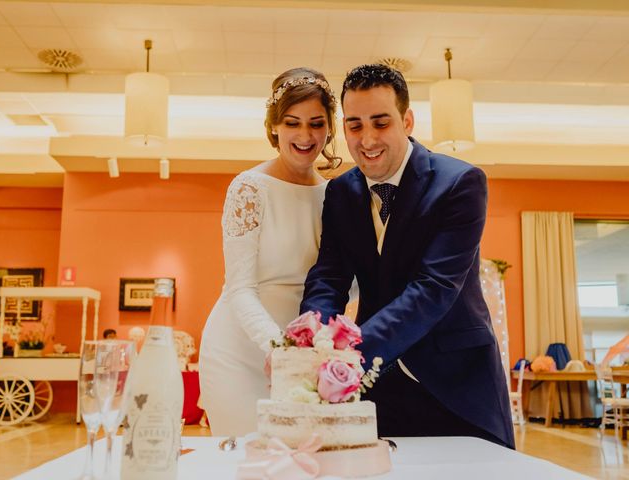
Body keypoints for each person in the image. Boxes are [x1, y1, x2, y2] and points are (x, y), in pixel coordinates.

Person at [300, 64, 514, 449]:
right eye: (354, 125)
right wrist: (311, 339)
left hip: (456, 385)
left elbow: (433, 289)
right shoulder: (341, 194)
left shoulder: (461, 184)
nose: (367, 140)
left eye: (380, 123)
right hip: (377, 390)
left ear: (407, 120)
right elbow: (329, 277)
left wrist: (350, 355)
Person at [199, 67, 339, 436]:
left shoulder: (335, 197)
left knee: (300, 459)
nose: (305, 135)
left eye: (316, 123)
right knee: (245, 461)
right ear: (275, 126)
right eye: (293, 123)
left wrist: (318, 345)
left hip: (302, 356)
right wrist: (279, 349)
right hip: (239, 350)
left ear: (329, 128)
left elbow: (342, 281)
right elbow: (240, 287)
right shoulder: (249, 188)